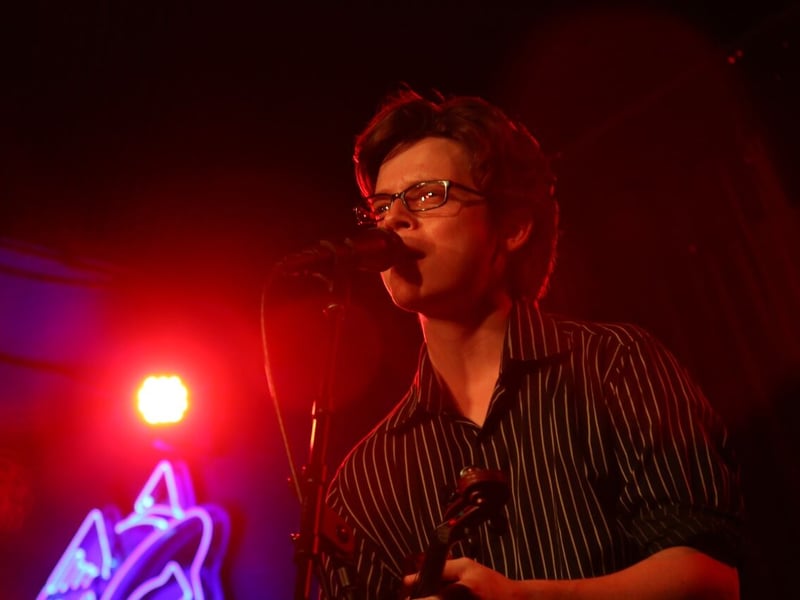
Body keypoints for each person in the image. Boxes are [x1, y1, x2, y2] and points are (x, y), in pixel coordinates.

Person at [319, 87, 743, 599]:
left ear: (514, 226)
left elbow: (709, 581)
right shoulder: (363, 483)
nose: (393, 220)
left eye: (429, 195)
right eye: (382, 205)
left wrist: (523, 598)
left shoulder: (615, 365)